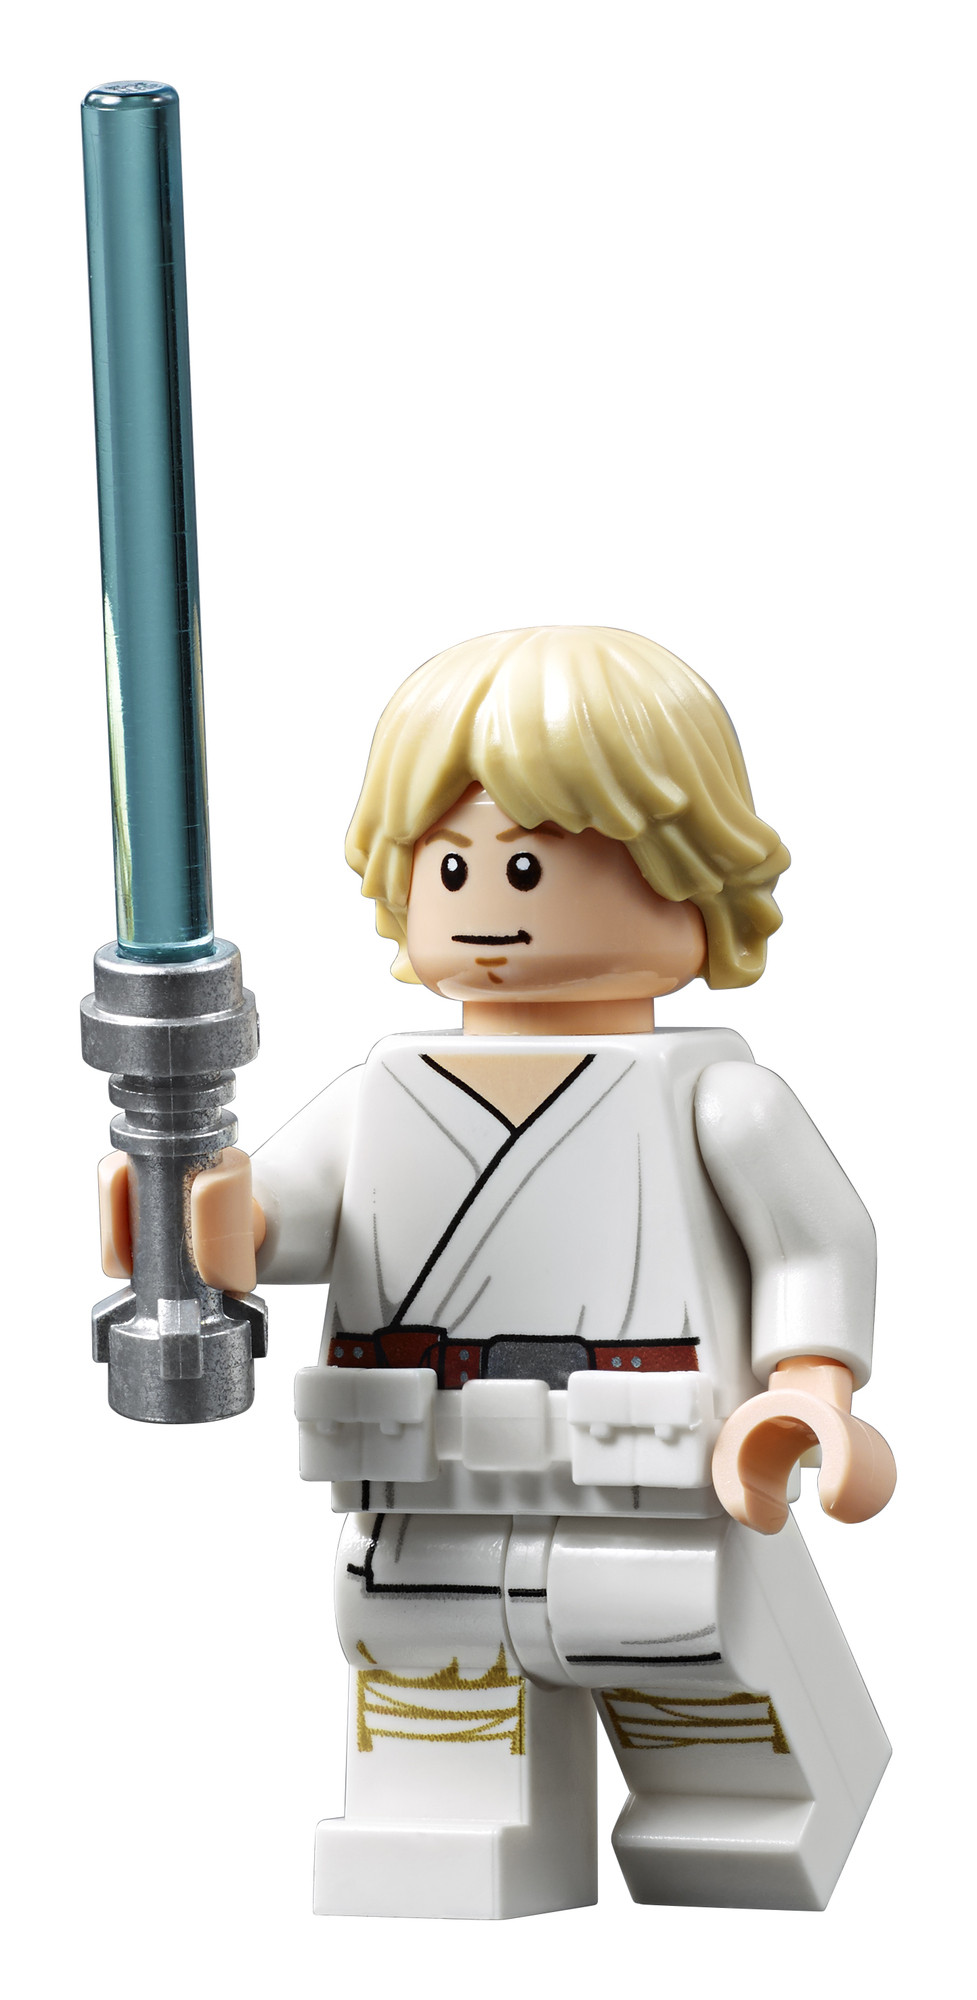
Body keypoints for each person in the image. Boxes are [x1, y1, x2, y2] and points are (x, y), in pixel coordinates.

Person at [101, 626, 895, 1919]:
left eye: (526, 864)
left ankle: (744, 1809)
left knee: (680, 1650)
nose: (484, 900)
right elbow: (280, 1222)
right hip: (419, 1463)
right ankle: (446, 1824)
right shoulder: (381, 1093)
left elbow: (813, 1242)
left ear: (688, 877)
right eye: (450, 864)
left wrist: (810, 1384)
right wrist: (188, 1207)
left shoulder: (716, 1098)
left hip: (643, 1454)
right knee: (425, 1653)